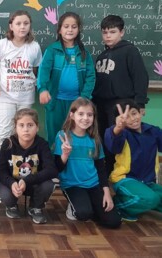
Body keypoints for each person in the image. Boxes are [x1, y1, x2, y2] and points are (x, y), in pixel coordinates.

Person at [0, 10, 42, 192]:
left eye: (26, 23)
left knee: (24, 134)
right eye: (18, 23)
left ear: (30, 26)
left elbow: (36, 70)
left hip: (26, 97)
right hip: (6, 97)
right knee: (4, 132)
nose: (22, 27)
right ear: (11, 26)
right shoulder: (2, 45)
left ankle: (20, 171)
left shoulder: (34, 46)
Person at [92, 14, 149, 175]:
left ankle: (123, 172)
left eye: (112, 32)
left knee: (120, 139)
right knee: (105, 138)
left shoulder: (130, 51)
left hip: (122, 104)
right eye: (104, 32)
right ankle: (108, 170)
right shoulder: (102, 56)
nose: (108, 36)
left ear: (121, 32)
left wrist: (140, 103)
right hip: (101, 104)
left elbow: (140, 77)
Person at [54, 97, 121, 229]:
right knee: (84, 214)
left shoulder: (94, 139)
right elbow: (58, 168)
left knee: (114, 221)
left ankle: (91, 206)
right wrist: (65, 154)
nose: (85, 118)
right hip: (72, 185)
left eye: (89, 115)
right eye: (81, 114)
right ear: (72, 115)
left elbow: (101, 168)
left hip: (93, 184)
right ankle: (76, 207)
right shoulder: (63, 136)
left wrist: (107, 192)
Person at [37, 12, 95, 149]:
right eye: (66, 26)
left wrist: (84, 98)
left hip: (77, 104)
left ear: (79, 29)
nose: (70, 30)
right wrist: (43, 89)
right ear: (59, 29)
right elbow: (43, 72)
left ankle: (71, 166)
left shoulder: (84, 53)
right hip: (55, 102)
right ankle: (55, 166)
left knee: (75, 135)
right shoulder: (52, 50)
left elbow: (90, 77)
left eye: (74, 27)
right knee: (55, 135)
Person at [0, 108, 57, 225]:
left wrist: (27, 180)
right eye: (21, 125)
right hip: (13, 185)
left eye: (30, 125)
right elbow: (0, 172)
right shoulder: (7, 144)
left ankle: (35, 207)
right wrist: (11, 183)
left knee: (48, 184)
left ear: (37, 127)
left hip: (34, 183)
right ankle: (11, 206)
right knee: (5, 195)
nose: (26, 129)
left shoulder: (42, 144)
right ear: (15, 127)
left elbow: (51, 170)